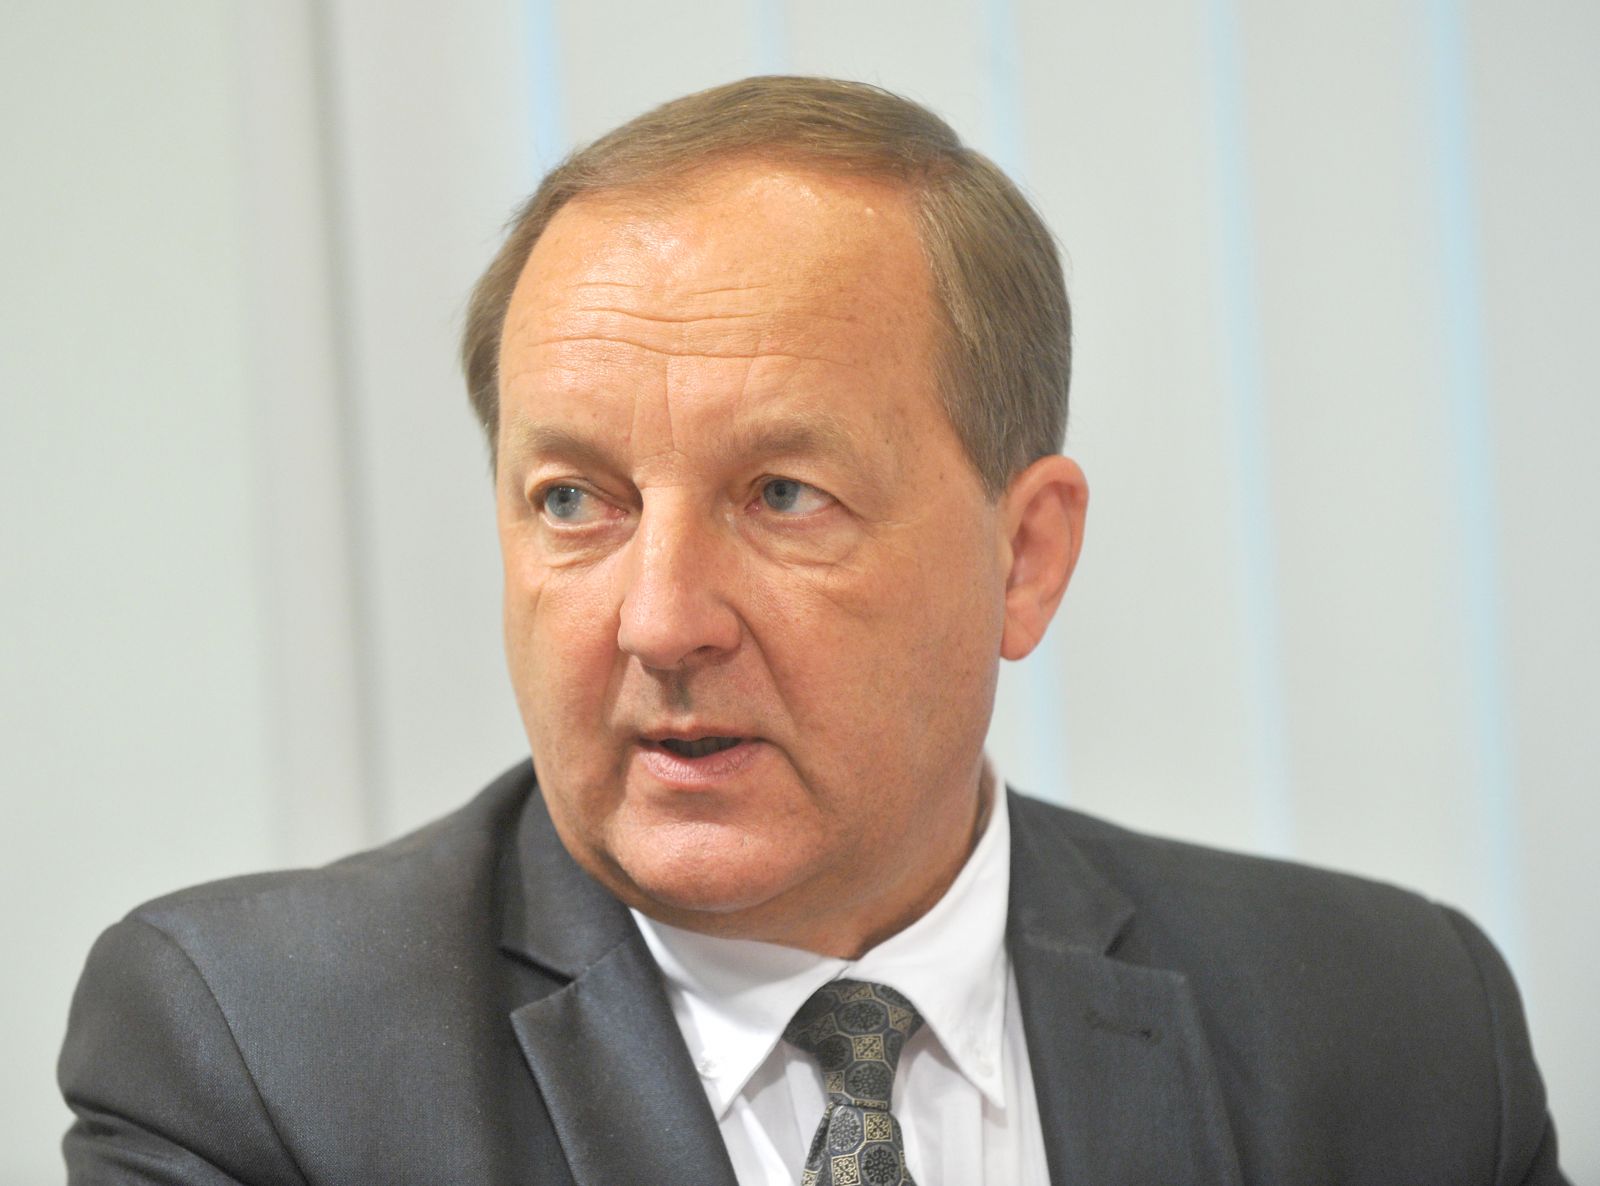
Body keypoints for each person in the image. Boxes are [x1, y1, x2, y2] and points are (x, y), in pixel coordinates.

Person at [59, 76, 1568, 1186]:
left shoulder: (1394, 1026)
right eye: (575, 501)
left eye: (783, 494)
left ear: (1026, 558)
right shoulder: (256, 1056)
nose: (662, 621)